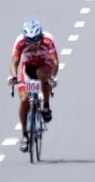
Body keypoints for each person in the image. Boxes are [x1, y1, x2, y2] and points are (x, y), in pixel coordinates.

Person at [8, 18, 59, 152]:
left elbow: (54, 61)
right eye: (29, 43)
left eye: (36, 42)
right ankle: (25, 135)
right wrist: (13, 77)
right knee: (24, 99)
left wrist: (52, 77)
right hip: (27, 68)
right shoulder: (19, 42)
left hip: (44, 65)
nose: (33, 46)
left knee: (42, 74)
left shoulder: (48, 40)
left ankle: (46, 106)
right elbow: (14, 63)